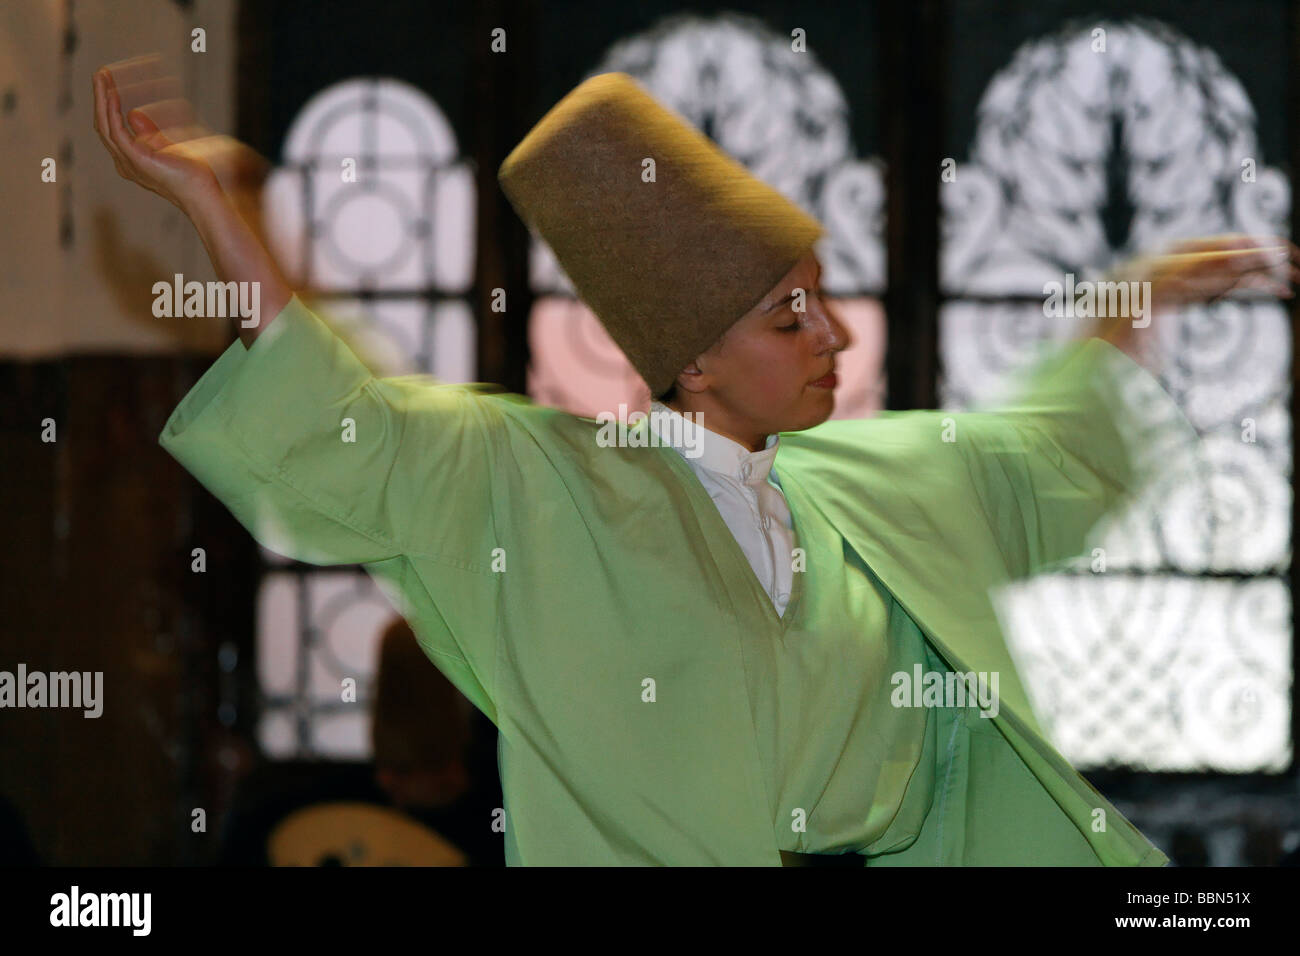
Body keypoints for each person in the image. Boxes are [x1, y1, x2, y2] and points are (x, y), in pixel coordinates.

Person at [93, 61, 1297, 866]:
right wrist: (216, 213)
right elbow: (341, 421)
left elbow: (1056, 449)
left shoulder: (874, 481)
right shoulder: (545, 482)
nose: (834, 335)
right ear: (696, 362)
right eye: (789, 316)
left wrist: (1152, 289)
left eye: (823, 301)